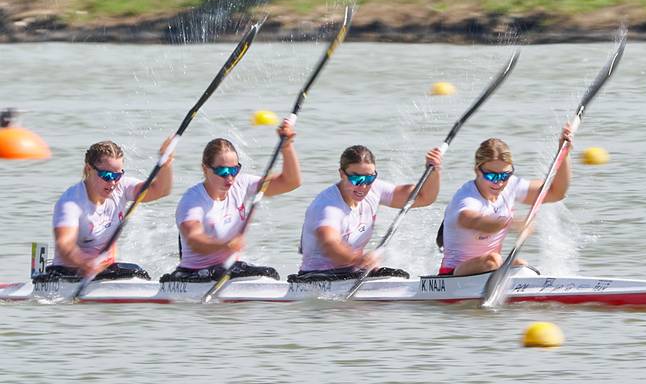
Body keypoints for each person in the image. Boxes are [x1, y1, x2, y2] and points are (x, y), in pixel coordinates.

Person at [166, 119, 300, 282]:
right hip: (196, 272)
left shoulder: (242, 184)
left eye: (234, 169)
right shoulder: (193, 200)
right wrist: (225, 245)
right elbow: (194, 239)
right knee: (265, 274)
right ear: (205, 169)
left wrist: (287, 147)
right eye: (222, 171)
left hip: (228, 268)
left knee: (268, 273)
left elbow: (290, 182)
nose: (229, 178)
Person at [438, 124, 573, 276]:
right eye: (491, 176)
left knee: (521, 265)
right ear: (477, 170)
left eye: (504, 176)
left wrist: (564, 154)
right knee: (493, 260)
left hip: (491, 270)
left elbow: (556, 193)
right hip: (452, 274)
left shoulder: (512, 186)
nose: (499, 183)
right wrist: (510, 223)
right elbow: (471, 220)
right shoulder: (467, 197)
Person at [294, 144, 443, 281]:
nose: (363, 186)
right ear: (342, 174)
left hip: (353, 272)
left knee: (399, 276)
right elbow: (329, 245)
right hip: (317, 276)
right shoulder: (328, 206)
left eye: (369, 178)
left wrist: (434, 171)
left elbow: (424, 197)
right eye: (356, 178)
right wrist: (359, 260)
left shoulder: (375, 189)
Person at [48, 138, 174, 279]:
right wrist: (86, 263)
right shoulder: (71, 203)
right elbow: (64, 246)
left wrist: (166, 163)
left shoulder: (122, 187)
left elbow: (160, 191)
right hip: (69, 274)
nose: (113, 182)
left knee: (139, 273)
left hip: (105, 273)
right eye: (106, 175)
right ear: (89, 169)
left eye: (117, 175)